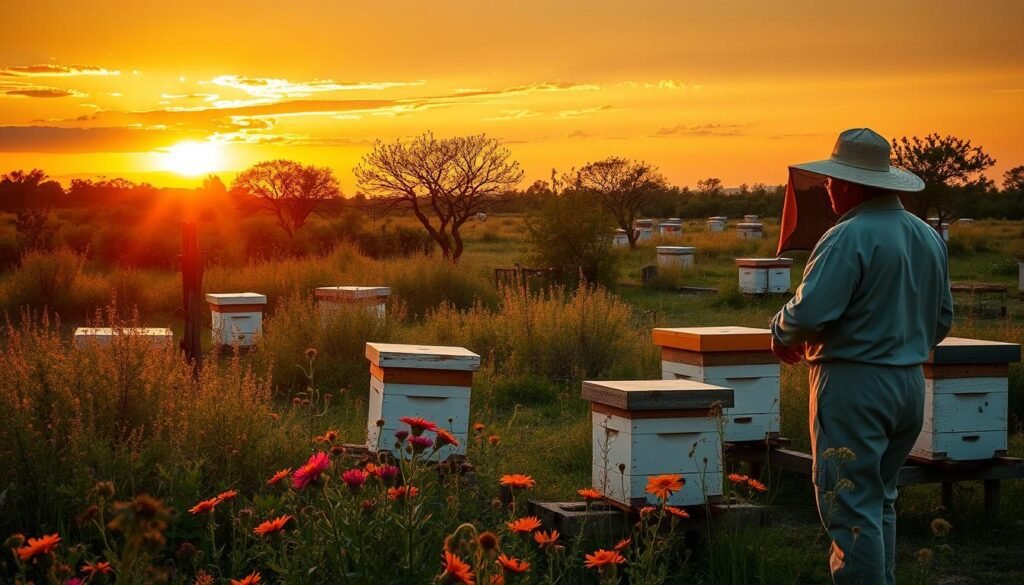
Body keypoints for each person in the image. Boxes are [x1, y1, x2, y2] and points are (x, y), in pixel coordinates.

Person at [770, 128, 954, 585]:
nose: (828, 187)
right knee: (879, 499)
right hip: (909, 385)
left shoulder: (846, 236)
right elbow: (943, 319)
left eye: (833, 180)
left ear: (850, 183)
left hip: (853, 387)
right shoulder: (927, 236)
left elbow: (810, 311)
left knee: (848, 505)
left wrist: (780, 329)